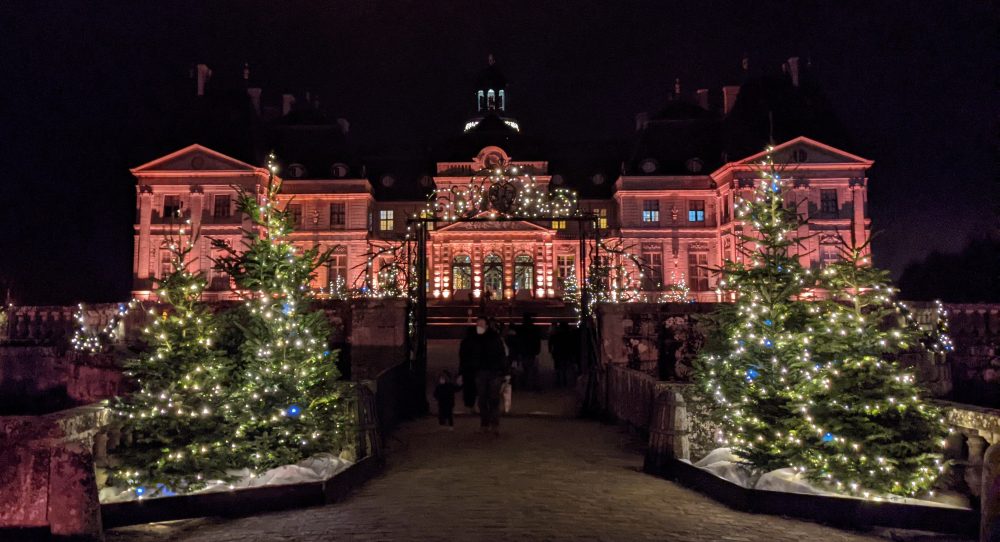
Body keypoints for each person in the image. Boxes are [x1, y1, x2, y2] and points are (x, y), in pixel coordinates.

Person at [465, 316, 507, 434]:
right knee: (482, 399)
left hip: (494, 372)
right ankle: (485, 423)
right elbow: (469, 355)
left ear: (487, 326)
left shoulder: (494, 338)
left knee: (494, 399)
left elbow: (501, 355)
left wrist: (504, 371)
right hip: (481, 372)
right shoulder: (474, 339)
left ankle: (494, 424)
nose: (479, 327)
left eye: (482, 324)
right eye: (478, 324)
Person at [515, 313, 542, 390]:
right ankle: (530, 384)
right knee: (531, 368)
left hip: (524, 351)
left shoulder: (521, 329)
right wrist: (537, 350)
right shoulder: (535, 329)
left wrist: (519, 351)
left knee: (526, 368)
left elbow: (519, 341)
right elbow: (537, 340)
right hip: (532, 351)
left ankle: (526, 384)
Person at [458, 326, 480, 413]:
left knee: (468, 387)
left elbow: (461, 356)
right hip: (475, 367)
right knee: (474, 387)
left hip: (467, 367)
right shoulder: (477, 342)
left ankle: (468, 405)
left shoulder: (465, 342)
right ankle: (473, 405)